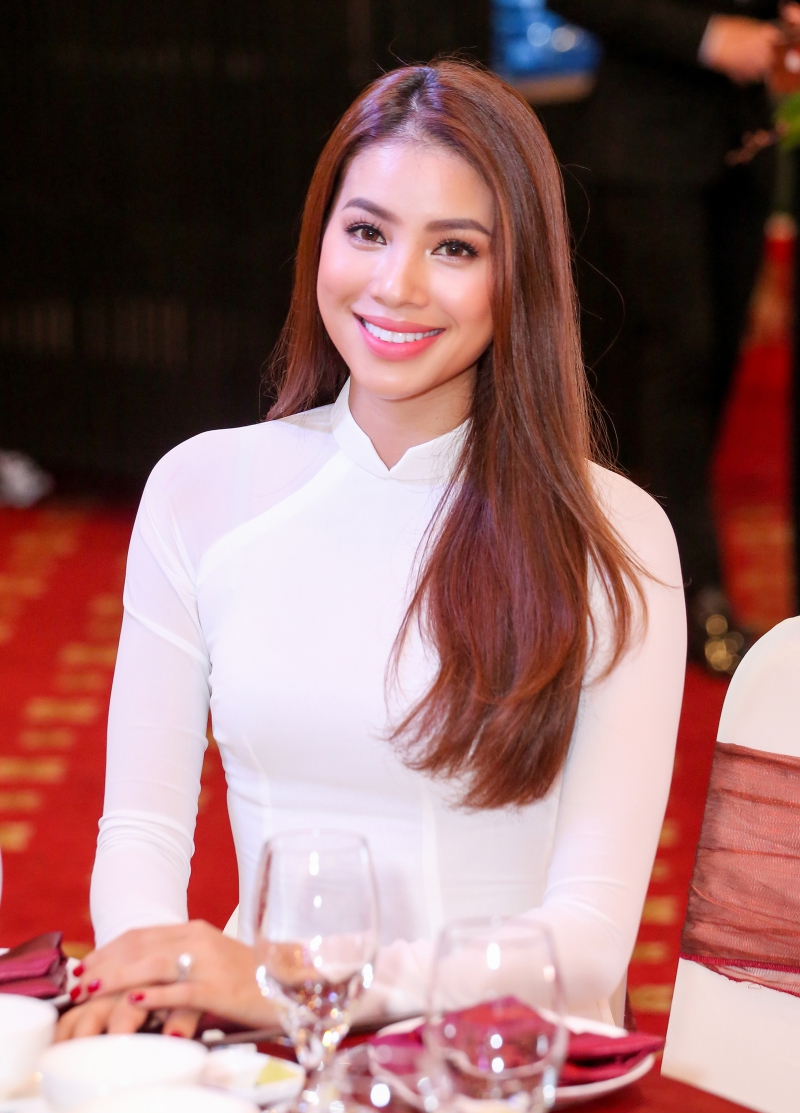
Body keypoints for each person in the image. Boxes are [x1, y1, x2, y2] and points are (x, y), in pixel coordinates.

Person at [58, 60, 686, 1041]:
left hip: (496, 1068)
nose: (396, 285)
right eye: (366, 232)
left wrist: (299, 981)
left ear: (519, 275)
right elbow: (141, 830)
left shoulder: (615, 538)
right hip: (261, 1048)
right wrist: (154, 977)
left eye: (454, 247)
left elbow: (591, 943)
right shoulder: (201, 490)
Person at [543, 1, 796, 669]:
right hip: (648, 149)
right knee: (675, 364)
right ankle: (688, 593)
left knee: (713, 367)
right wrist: (709, 37)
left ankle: (661, 576)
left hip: (745, 144)